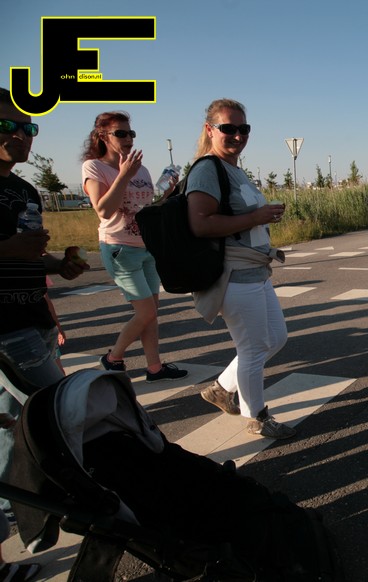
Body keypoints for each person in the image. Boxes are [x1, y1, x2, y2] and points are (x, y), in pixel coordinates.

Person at [0, 87, 85, 577]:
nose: (20, 135)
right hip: (5, 328)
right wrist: (9, 250)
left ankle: (16, 506)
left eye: (28, 128)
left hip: (32, 317)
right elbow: (12, 250)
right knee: (61, 411)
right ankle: (69, 501)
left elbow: (29, 254)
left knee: (12, 424)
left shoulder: (27, 191)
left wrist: (58, 265)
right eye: (6, 126)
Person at [187, 98, 295, 440]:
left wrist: (260, 217)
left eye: (243, 128)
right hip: (234, 275)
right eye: (228, 128)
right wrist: (256, 217)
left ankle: (221, 388)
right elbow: (200, 224)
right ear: (210, 130)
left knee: (275, 338)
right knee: (253, 349)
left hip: (255, 272)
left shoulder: (233, 168)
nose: (237, 135)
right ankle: (257, 417)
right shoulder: (207, 169)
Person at [81, 111, 188, 383]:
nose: (128, 138)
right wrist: (123, 175)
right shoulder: (94, 167)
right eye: (121, 133)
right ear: (102, 136)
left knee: (151, 314)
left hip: (146, 247)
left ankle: (155, 367)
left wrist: (167, 193)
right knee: (146, 312)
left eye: (131, 133)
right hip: (119, 248)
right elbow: (103, 210)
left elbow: (146, 209)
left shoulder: (142, 169)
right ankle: (113, 357)